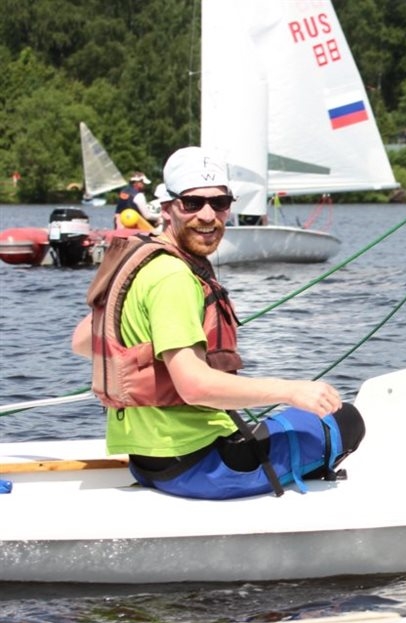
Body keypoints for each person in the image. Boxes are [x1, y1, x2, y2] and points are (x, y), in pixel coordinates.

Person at [72, 146, 364, 500]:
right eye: (192, 203)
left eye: (220, 203)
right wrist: (290, 390)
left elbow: (83, 341)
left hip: (147, 463)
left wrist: (149, 354)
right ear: (167, 208)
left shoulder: (143, 262)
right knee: (346, 419)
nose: (208, 215)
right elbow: (194, 387)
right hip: (202, 466)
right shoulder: (174, 278)